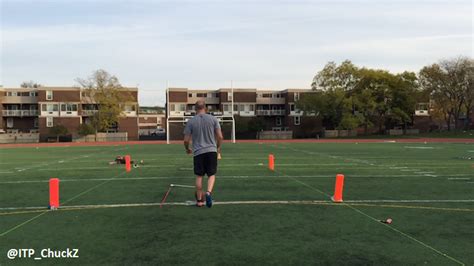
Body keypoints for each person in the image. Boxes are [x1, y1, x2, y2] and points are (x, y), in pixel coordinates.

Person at [184, 100, 223, 208]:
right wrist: (218, 147)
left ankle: (200, 201)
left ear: (195, 109)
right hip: (211, 151)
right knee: (211, 175)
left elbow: (186, 140)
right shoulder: (213, 119)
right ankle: (208, 192)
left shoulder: (191, 121)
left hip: (198, 152)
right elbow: (220, 137)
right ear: (205, 108)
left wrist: (187, 149)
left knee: (199, 176)